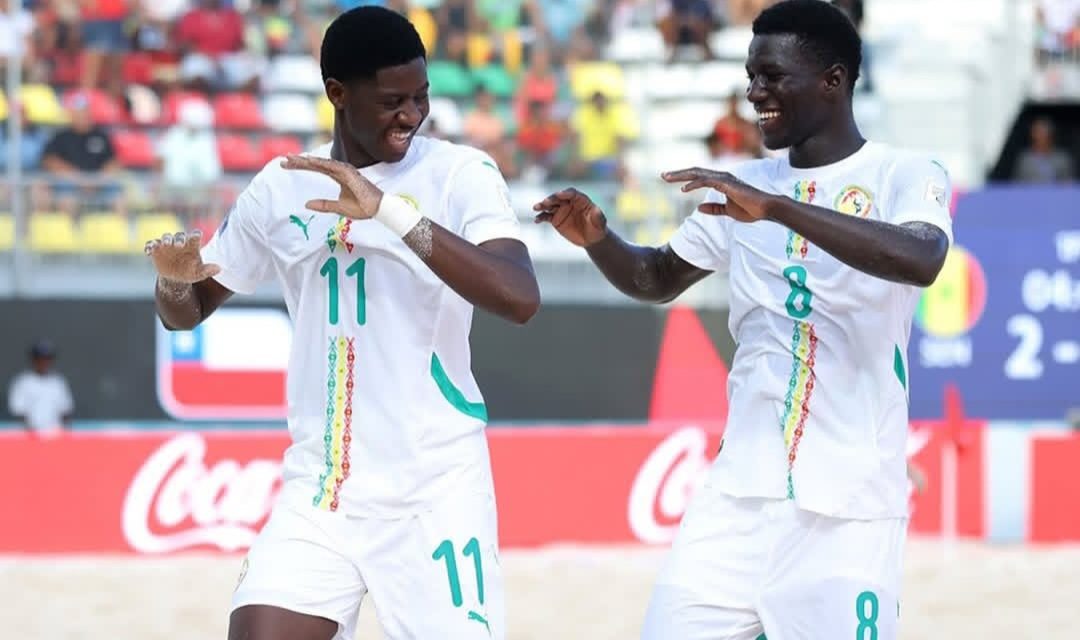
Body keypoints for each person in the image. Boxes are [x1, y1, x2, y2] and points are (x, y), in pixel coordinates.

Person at [533, 1, 953, 638]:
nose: (755, 92)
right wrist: (598, 239)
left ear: (833, 81)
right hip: (736, 496)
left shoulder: (904, 172)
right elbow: (656, 277)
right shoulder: (742, 187)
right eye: (752, 75)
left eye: (773, 76)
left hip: (849, 508)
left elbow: (922, 259)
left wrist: (779, 209)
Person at [144, 7, 540, 640]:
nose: (411, 115)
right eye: (391, 101)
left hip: (433, 492)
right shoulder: (280, 187)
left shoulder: (460, 173)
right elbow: (186, 312)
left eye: (420, 96)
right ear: (337, 93)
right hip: (321, 490)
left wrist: (389, 212)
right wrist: (172, 279)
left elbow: (519, 297)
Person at [7, 339, 74, 436]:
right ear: (33, 359)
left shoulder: (58, 382)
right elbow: (18, 411)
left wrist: (65, 431)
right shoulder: (22, 382)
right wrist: (33, 432)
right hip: (29, 435)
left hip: (55, 435)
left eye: (47, 358)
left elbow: (65, 410)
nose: (44, 361)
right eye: (40, 358)